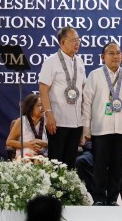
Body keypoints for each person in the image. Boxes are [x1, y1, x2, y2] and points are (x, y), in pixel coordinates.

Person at [81, 41, 122, 206]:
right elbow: (86, 102)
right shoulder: (95, 75)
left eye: (118, 53)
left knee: (117, 165)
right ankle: (99, 198)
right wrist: (86, 127)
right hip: (100, 129)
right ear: (102, 57)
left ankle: (113, 198)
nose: (115, 57)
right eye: (111, 53)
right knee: (99, 165)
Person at [39, 26, 86, 169]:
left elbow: (82, 89)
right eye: (73, 40)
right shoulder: (51, 61)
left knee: (70, 163)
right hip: (58, 121)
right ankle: (54, 192)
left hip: (76, 122)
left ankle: (68, 192)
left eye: (78, 40)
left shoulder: (80, 61)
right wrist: (48, 114)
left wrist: (84, 120)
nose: (77, 43)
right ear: (63, 42)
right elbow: (43, 88)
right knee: (56, 163)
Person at [6, 93, 48, 159]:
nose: (43, 108)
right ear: (30, 108)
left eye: (44, 105)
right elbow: (9, 142)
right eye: (39, 105)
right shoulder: (21, 121)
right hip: (25, 157)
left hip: (43, 157)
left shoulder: (48, 121)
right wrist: (27, 145)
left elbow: (55, 142)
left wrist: (44, 143)